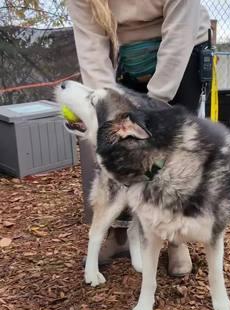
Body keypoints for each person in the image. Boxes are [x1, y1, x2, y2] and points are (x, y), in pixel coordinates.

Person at [67, 0, 211, 276]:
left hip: (183, 46)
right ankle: (120, 231)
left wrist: (152, 108)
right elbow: (91, 50)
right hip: (125, 50)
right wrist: (109, 108)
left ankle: (175, 239)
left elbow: (179, 35)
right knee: (118, 151)